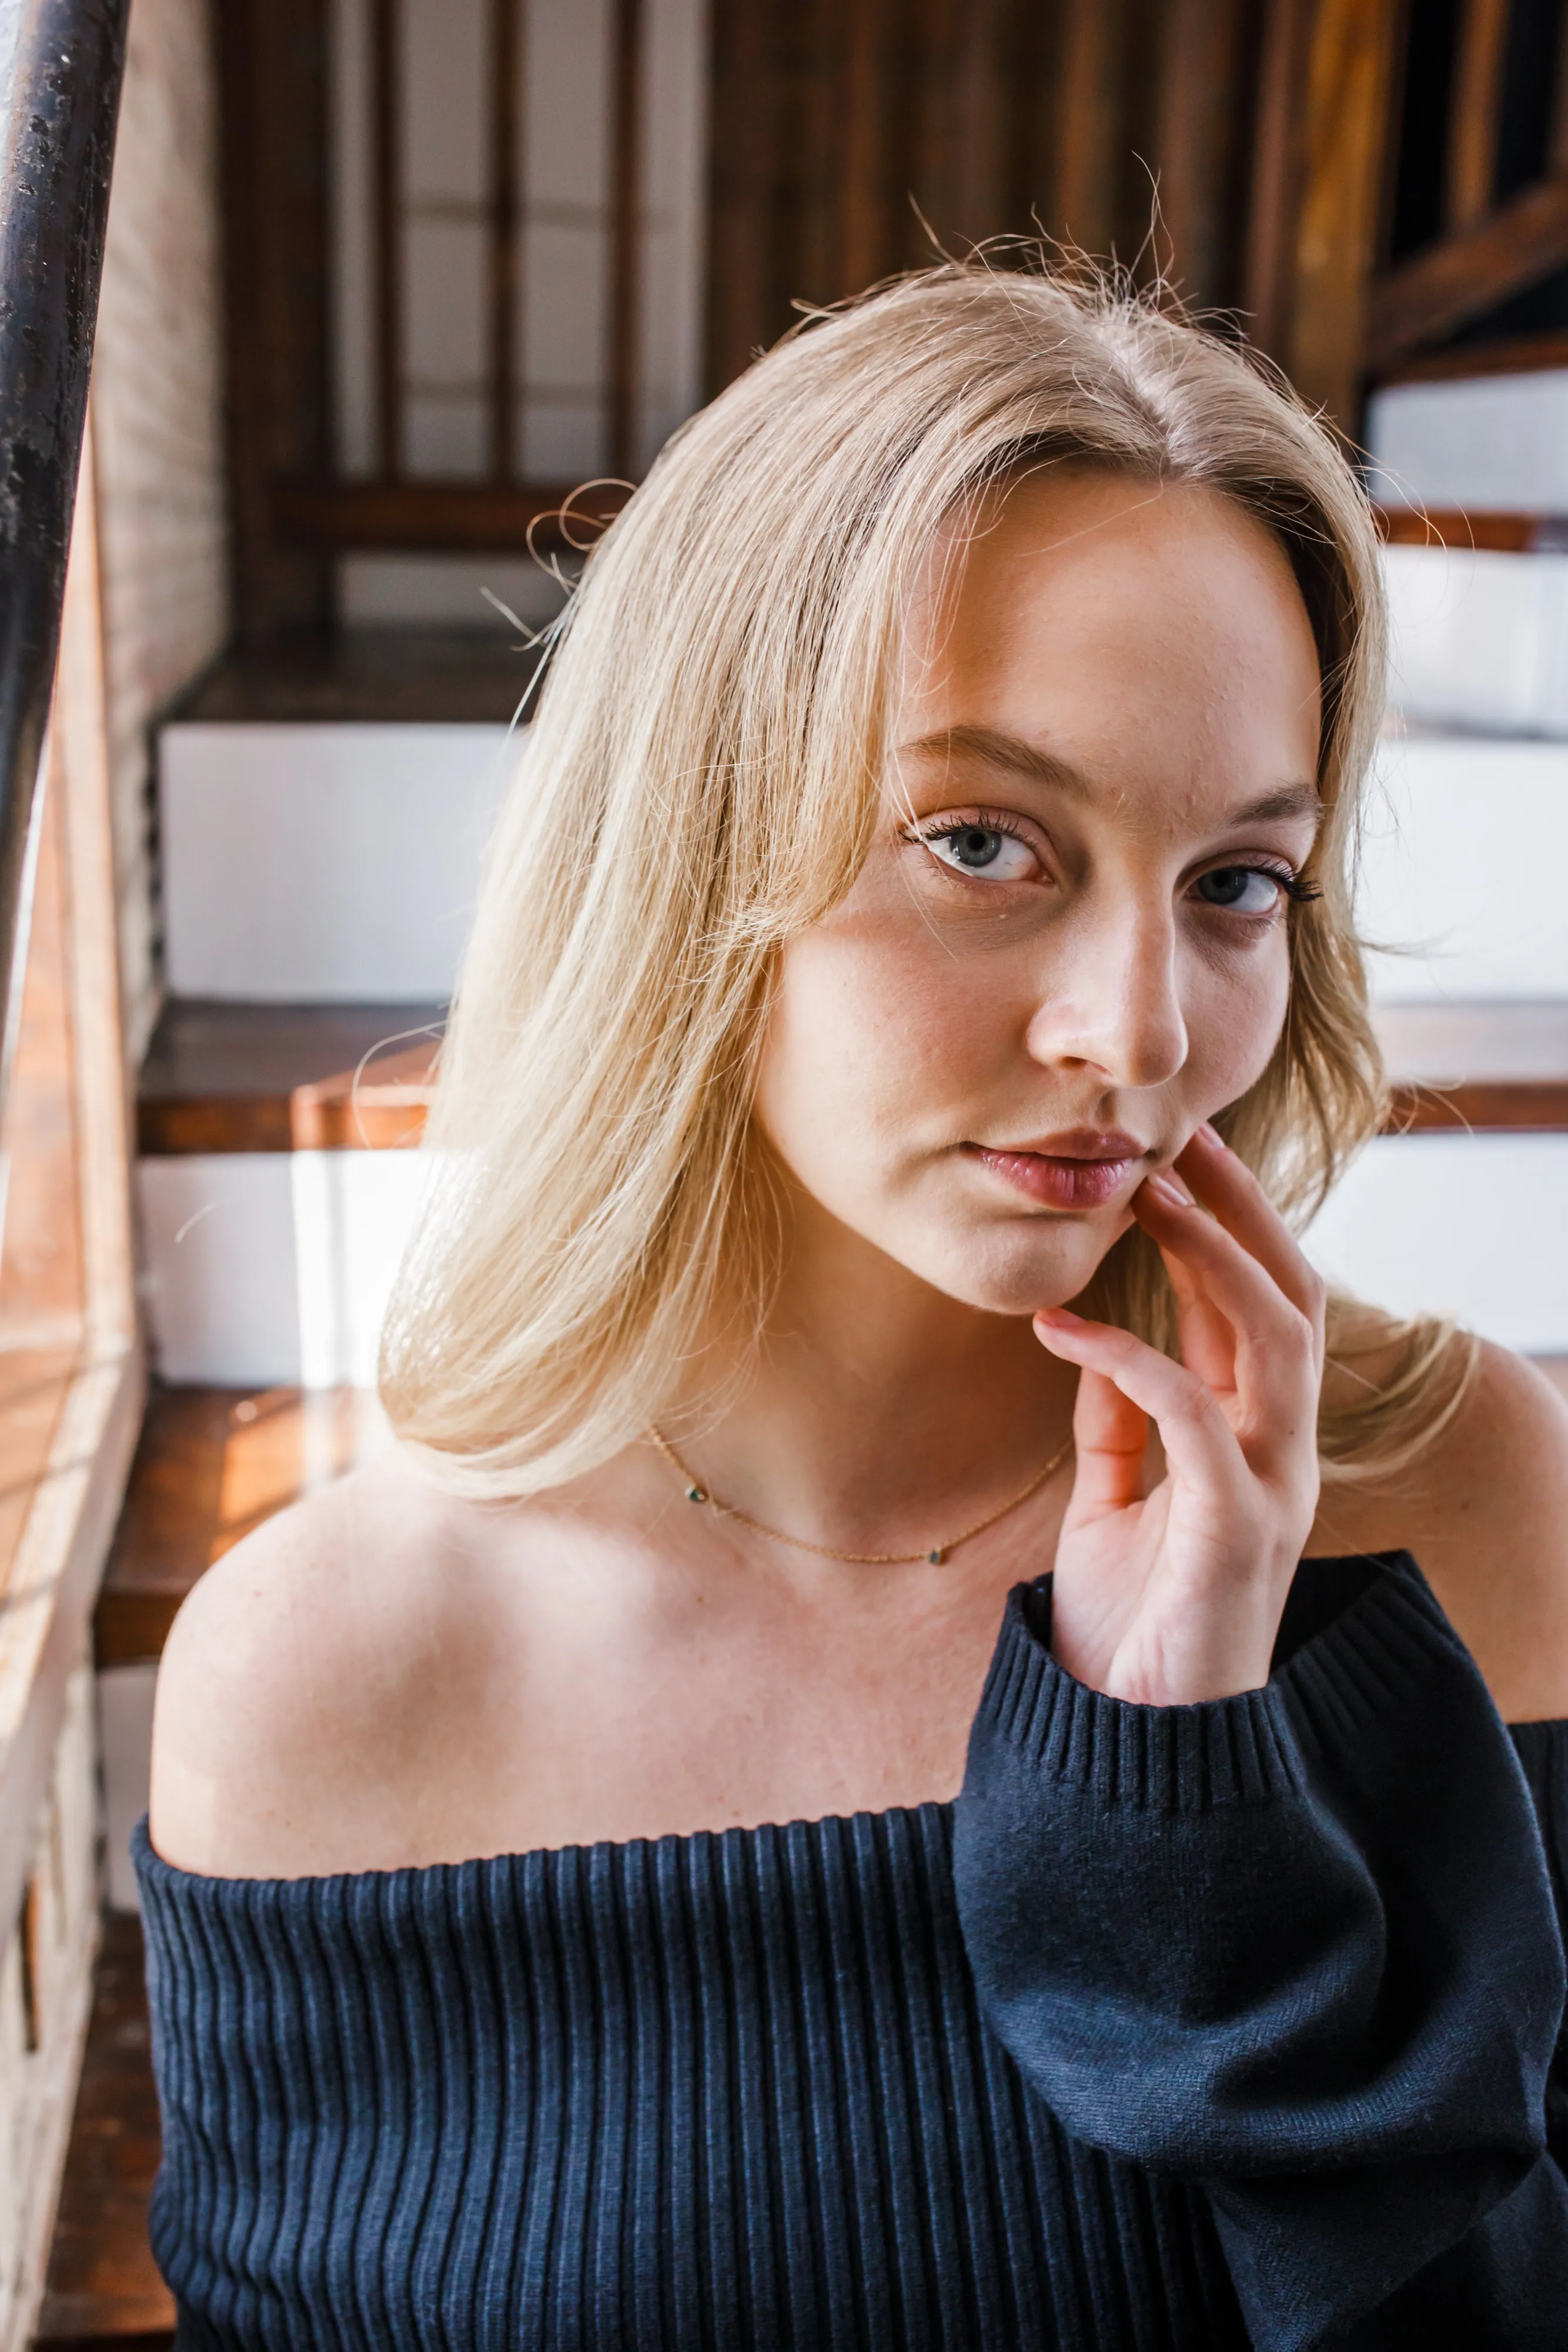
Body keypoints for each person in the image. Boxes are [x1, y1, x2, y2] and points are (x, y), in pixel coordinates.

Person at [139, 264, 1568, 2349]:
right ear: (694, 852)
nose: (1139, 1030)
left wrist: (1185, 1799)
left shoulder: (1457, 1502)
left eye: (1236, 880)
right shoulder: (333, 1681)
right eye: (985, 842)